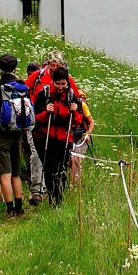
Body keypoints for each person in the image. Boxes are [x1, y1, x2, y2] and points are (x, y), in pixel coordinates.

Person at [32, 66, 83, 206]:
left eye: (63, 84)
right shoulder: (44, 94)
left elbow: (78, 121)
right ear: (53, 82)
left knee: (61, 168)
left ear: (67, 82)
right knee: (49, 167)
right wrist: (47, 112)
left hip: (63, 138)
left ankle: (58, 196)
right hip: (44, 137)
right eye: (58, 84)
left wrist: (74, 112)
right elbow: (35, 118)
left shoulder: (72, 97)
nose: (60, 87)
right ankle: (54, 198)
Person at [0, 54, 26, 217]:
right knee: (16, 173)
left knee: (5, 173)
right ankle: (20, 207)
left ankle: (9, 209)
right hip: (17, 132)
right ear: (15, 68)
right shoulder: (22, 85)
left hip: (1, 134)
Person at [22, 61, 46, 206]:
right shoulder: (29, 85)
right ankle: (37, 190)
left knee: (44, 155)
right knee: (35, 154)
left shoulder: (54, 84)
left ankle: (45, 187)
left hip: (47, 124)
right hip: (32, 123)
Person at [70, 89, 95, 185]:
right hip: (69, 135)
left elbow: (91, 122)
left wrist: (88, 133)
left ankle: (76, 184)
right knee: (70, 159)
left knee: (76, 158)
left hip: (81, 136)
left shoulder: (82, 105)